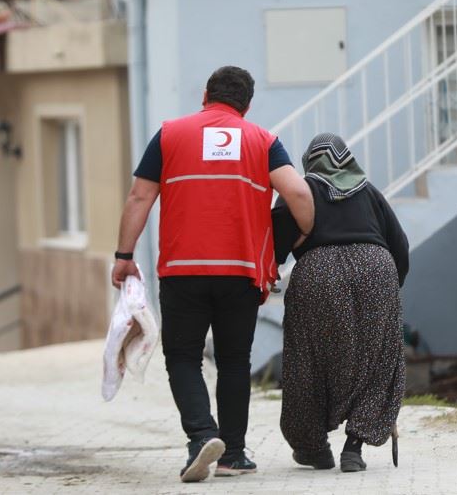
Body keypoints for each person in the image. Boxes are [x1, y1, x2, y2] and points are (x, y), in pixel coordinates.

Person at [111, 66, 314, 483]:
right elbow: (296, 192)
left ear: (205, 95)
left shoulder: (170, 135)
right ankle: (233, 454)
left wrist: (124, 255)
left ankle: (202, 436)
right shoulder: (263, 141)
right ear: (248, 104)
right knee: (234, 360)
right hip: (240, 272)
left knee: (183, 357)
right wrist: (305, 232)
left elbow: (140, 195)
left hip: (183, 271)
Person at [272, 132, 408, 473]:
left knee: (308, 361)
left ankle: (313, 448)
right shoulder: (368, 191)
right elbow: (400, 244)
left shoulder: (300, 191)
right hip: (376, 268)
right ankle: (355, 445)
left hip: (318, 274)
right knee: (378, 359)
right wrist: (391, 291)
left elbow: (276, 245)